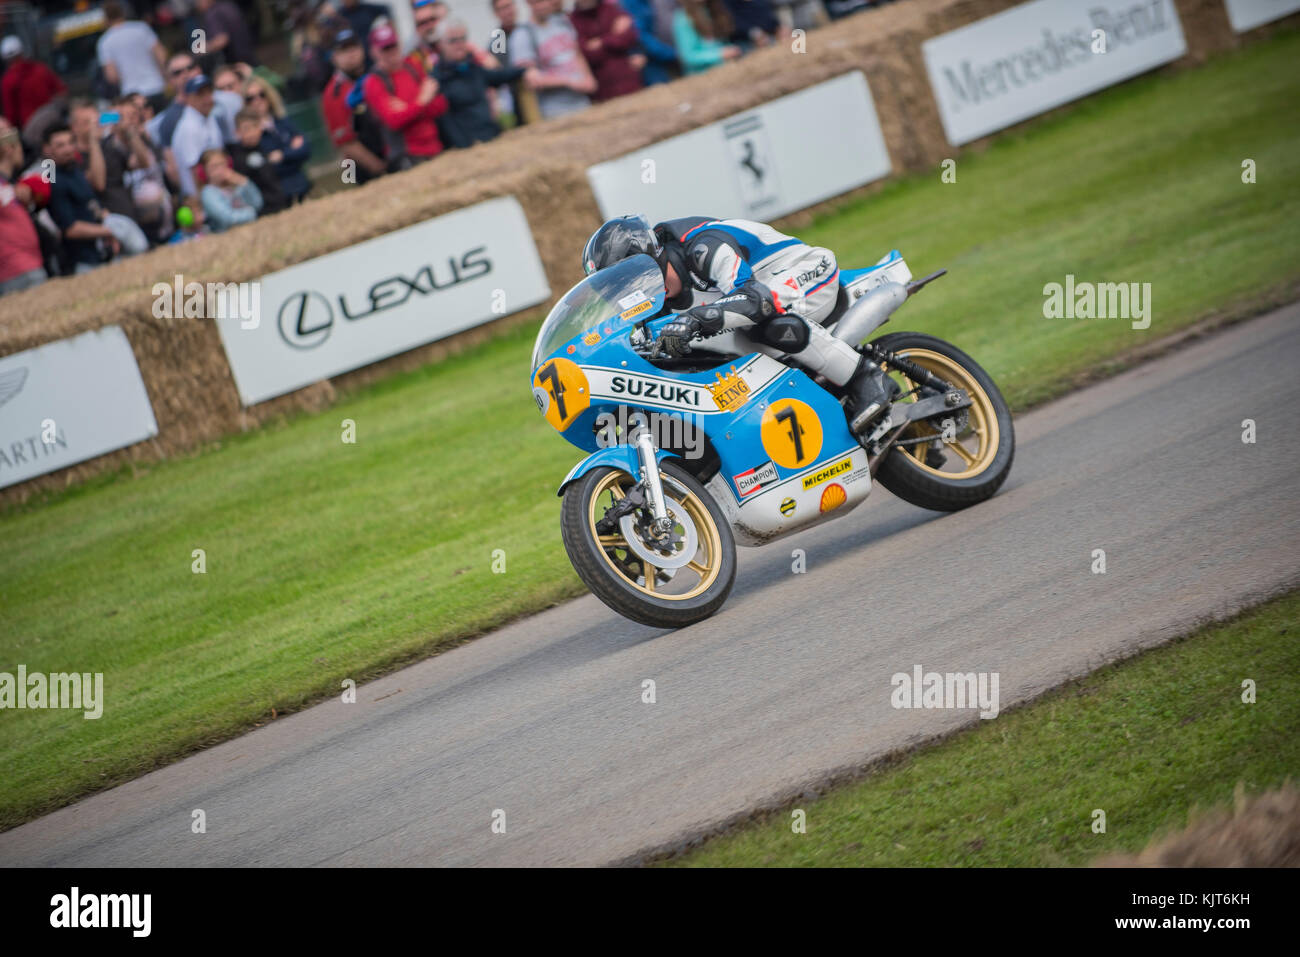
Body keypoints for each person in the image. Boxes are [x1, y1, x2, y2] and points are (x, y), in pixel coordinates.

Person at [582, 215, 900, 436]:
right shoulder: (652, 307)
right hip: (757, 298)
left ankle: (867, 378)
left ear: (650, 258)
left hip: (804, 273)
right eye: (622, 290)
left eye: (633, 281)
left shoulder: (702, 247)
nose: (634, 293)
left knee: (767, 323)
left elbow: (754, 298)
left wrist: (693, 319)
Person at [44, 123, 149, 272]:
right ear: (47, 149)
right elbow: (70, 229)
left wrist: (108, 224)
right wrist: (109, 231)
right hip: (82, 261)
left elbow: (95, 194)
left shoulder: (74, 168)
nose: (68, 149)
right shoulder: (52, 179)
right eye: (60, 146)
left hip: (100, 253)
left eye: (70, 143)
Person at [360, 21, 447, 167]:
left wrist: (408, 108)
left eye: (393, 46)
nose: (391, 52)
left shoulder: (412, 66)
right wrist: (421, 101)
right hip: (408, 156)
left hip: (435, 147)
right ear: (374, 52)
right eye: (385, 49)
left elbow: (440, 105)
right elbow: (394, 121)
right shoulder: (374, 82)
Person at [430, 20, 527, 149]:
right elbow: (444, 122)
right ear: (441, 45)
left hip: (492, 138)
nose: (459, 44)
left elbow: (500, 76)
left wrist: (526, 70)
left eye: (462, 39)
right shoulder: (437, 79)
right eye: (453, 41)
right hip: (466, 147)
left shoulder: (473, 68)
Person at [509, 0, 596, 120]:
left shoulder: (562, 22)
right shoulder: (522, 35)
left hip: (583, 103)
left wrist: (588, 78)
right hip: (555, 111)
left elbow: (577, 54)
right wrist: (569, 82)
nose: (545, 4)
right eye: (539, 2)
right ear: (529, 3)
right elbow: (531, 79)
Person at [319, 28, 386, 183]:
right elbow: (346, 144)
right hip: (366, 168)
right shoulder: (333, 94)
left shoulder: (375, 76)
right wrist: (381, 169)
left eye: (354, 47)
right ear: (334, 57)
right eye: (344, 50)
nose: (351, 54)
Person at [241, 75, 311, 202]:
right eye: (250, 98)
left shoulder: (282, 122)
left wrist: (282, 155)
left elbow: (306, 150)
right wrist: (291, 150)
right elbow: (267, 169)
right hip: (277, 196)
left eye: (261, 94)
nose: (257, 101)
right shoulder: (248, 136)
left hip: (302, 186)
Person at [0, 117, 45, 295]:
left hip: (28, 266)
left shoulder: (12, 184)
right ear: (9, 148)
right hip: (17, 272)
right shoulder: (8, 188)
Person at [96, 1, 168, 110]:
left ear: (105, 18)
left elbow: (112, 76)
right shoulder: (141, 28)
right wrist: (165, 77)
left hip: (132, 96)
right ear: (123, 12)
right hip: (156, 87)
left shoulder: (104, 42)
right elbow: (162, 56)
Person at [569, 0, 644, 102]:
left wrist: (601, 41)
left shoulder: (612, 9)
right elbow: (588, 54)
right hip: (603, 90)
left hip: (630, 80)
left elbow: (629, 37)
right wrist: (615, 35)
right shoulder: (572, 20)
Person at [170, 74, 226, 196]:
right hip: (203, 195)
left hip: (219, 191)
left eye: (209, 92)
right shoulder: (188, 128)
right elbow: (196, 172)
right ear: (189, 98)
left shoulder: (209, 117)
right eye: (200, 94)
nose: (207, 99)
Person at [1, 36, 66, 133]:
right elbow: (61, 91)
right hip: (54, 119)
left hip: (31, 130)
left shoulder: (7, 81)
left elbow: (11, 115)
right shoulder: (40, 68)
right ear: (22, 52)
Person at [229, 109, 289, 213]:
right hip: (262, 210)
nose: (252, 132)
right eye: (246, 128)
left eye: (255, 126)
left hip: (280, 203)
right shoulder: (238, 158)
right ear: (237, 133)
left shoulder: (265, 148)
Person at [198, 148, 263, 231]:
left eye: (222, 164)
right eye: (214, 167)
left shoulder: (235, 184)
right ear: (203, 172)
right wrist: (251, 213)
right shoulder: (208, 192)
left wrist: (243, 182)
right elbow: (228, 219)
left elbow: (257, 204)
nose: (220, 170)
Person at [620, 0, 680, 85]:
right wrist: (672, 54)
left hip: (671, 50)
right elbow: (640, 34)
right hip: (650, 58)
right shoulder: (630, 3)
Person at [674, 0, 741, 74]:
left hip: (726, 67)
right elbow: (688, 56)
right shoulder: (682, 19)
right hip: (703, 74)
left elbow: (721, 41)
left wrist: (730, 49)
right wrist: (719, 55)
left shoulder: (712, 10)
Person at [194, 0, 260, 67]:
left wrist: (202, 49)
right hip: (247, 53)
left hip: (236, 61)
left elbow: (222, 39)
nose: (196, 5)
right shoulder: (228, 5)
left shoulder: (212, 14)